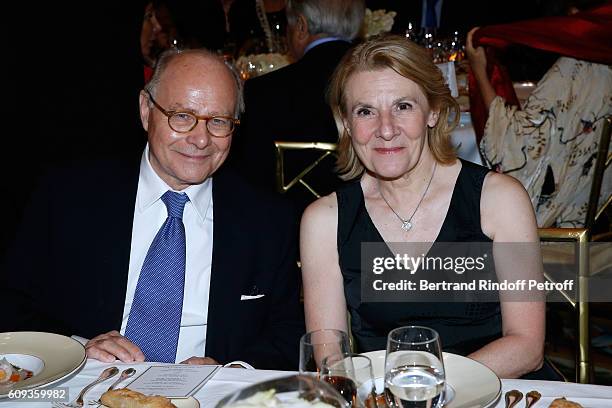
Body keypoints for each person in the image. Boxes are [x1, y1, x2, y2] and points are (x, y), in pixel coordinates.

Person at [1, 48, 304, 370]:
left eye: (218, 121)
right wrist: (78, 347)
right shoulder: (68, 196)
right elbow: (11, 302)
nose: (201, 140)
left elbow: (289, 334)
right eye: (183, 117)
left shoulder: (269, 221)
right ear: (146, 110)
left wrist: (231, 371)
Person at [300, 35, 546, 378]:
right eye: (366, 111)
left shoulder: (499, 200)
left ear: (433, 112)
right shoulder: (325, 220)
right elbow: (331, 359)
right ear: (346, 123)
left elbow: (527, 346)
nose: (385, 129)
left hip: (497, 388)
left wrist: (427, 388)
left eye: (403, 106)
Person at [466, 1, 612, 228]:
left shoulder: (576, 68)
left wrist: (478, 70)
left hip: (552, 229)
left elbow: (516, 143)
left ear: (573, 15)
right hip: (597, 217)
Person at [231, 0, 365, 211]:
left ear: (301, 26)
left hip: (282, 230)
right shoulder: (375, 86)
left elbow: (247, 179)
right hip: (363, 224)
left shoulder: (262, 91)